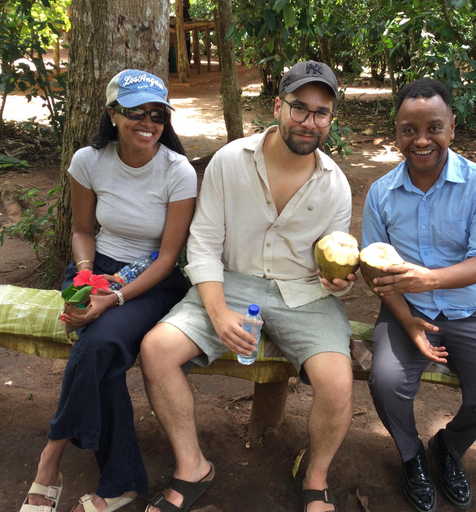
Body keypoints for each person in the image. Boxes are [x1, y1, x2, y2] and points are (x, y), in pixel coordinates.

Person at [140, 60, 354, 512]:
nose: (309, 121)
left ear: (331, 119)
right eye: (299, 107)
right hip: (231, 282)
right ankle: (192, 464)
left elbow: (332, 268)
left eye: (321, 112)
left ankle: (316, 480)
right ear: (278, 106)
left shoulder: (335, 185)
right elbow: (201, 246)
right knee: (156, 350)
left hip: (303, 294)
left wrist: (338, 283)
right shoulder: (229, 161)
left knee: (337, 383)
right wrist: (216, 310)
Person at [19, 69, 197, 512]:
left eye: (158, 114)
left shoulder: (177, 172)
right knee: (105, 359)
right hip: (94, 269)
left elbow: (168, 257)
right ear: (113, 113)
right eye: (136, 111)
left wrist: (114, 298)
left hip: (151, 280)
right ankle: (122, 482)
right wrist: (84, 275)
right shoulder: (88, 161)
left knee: (97, 343)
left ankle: (51, 458)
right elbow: (83, 230)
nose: (148, 122)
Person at [361, 78, 476, 511]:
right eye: (408, 129)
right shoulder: (381, 194)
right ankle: (412, 456)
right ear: (396, 132)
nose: (421, 140)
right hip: (405, 309)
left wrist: (428, 279)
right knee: (386, 383)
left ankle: (448, 447)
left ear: (452, 126)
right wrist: (407, 319)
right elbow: (375, 271)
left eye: (433, 127)